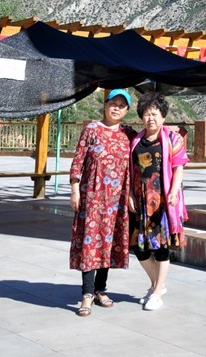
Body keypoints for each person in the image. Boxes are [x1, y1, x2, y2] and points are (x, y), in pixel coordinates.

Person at [69, 88, 134, 317]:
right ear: (105, 105)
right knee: (90, 243)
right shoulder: (92, 129)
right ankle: (86, 293)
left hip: (117, 201)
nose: (116, 108)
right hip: (92, 197)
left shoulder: (128, 133)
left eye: (122, 105)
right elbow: (78, 161)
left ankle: (100, 289)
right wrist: (75, 190)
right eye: (113, 103)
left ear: (126, 110)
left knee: (108, 243)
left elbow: (149, 141)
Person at [129, 91, 188, 311]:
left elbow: (178, 167)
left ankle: (156, 293)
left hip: (162, 200)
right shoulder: (136, 140)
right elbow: (132, 171)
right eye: (146, 114)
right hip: (140, 201)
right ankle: (157, 285)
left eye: (155, 113)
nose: (150, 118)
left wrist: (173, 192)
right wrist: (130, 194)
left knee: (161, 248)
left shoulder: (172, 139)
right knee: (138, 247)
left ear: (163, 116)